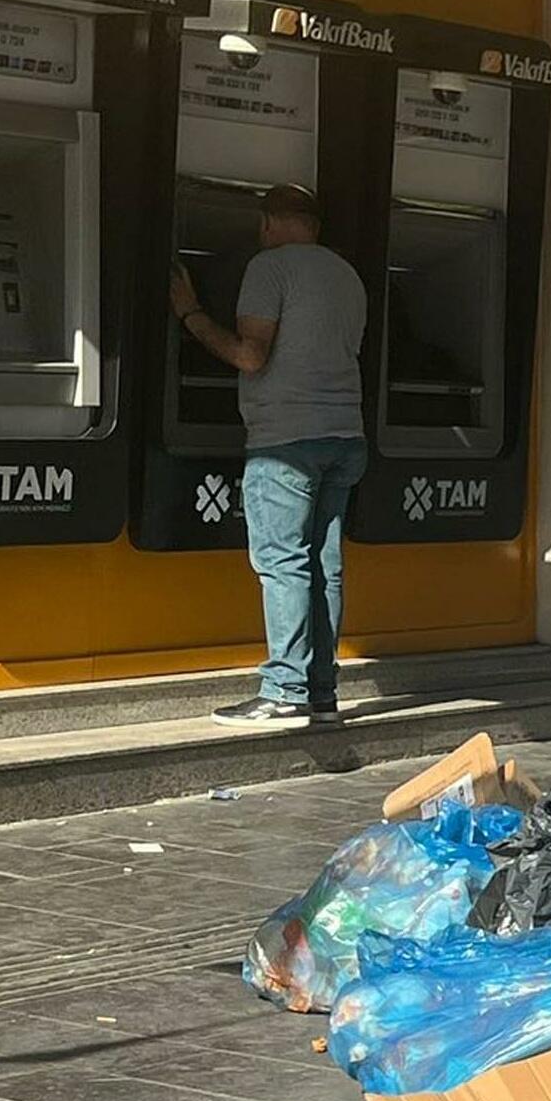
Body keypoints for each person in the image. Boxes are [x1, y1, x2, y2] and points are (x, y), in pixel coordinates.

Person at [170, 183, 369, 728]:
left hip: (287, 441)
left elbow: (250, 356)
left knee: (283, 563)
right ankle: (321, 692)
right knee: (324, 565)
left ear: (267, 222)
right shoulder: (347, 275)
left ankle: (284, 689)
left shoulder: (269, 267)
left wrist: (190, 314)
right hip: (345, 436)